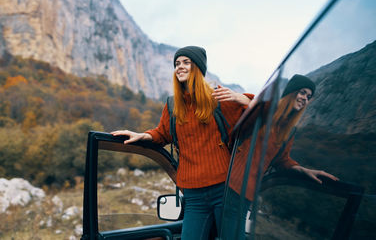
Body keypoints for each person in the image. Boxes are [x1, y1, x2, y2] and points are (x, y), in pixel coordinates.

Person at [111, 46, 254, 240]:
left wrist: (242, 98)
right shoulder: (173, 105)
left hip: (225, 190)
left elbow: (265, 113)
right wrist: (142, 135)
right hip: (193, 195)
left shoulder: (218, 99)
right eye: (177, 63)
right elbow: (162, 133)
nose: (180, 67)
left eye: (186, 62)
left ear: (198, 68)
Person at [222, 74, 339, 239]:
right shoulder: (267, 111)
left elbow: (281, 159)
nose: (305, 98)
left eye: (309, 96)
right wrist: (246, 99)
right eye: (302, 92)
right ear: (291, 92)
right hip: (230, 187)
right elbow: (244, 120)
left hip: (248, 193)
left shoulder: (289, 129)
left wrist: (304, 170)